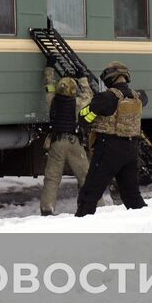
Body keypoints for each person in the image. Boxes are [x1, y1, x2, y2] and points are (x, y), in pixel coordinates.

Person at [74, 62, 148, 216]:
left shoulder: (105, 98)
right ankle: (146, 228)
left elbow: (84, 118)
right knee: (132, 196)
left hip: (108, 149)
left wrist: (91, 104)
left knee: (89, 195)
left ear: (108, 79)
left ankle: (81, 228)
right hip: (131, 150)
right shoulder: (139, 96)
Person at [40, 63, 91, 215]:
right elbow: (88, 95)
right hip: (73, 142)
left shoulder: (52, 100)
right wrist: (82, 78)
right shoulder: (77, 103)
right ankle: (97, 205)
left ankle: (47, 207)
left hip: (56, 142)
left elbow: (48, 86)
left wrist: (49, 69)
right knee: (85, 176)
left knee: (52, 177)